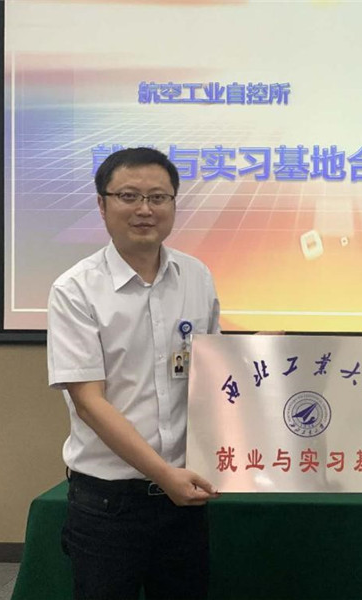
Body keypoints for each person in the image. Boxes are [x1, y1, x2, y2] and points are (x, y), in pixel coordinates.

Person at [47, 147, 220, 600]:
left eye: (159, 197)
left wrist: (256, 355)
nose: (145, 209)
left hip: (184, 497)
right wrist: (163, 474)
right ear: (102, 204)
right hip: (108, 503)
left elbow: (211, 374)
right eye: (129, 196)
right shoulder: (75, 290)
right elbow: (89, 402)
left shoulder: (197, 277)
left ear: (174, 204)